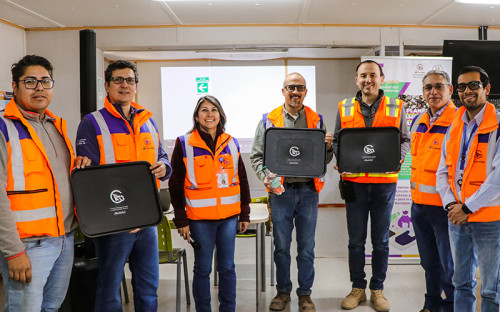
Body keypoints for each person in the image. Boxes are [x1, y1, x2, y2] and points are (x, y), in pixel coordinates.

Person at [76, 60, 171, 312]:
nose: (125, 85)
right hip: (115, 222)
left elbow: (161, 156)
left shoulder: (148, 121)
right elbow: (90, 177)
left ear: (136, 86)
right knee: (109, 290)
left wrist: (164, 166)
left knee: (149, 288)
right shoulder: (92, 123)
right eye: (118, 80)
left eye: (130, 80)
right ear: (107, 86)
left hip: (147, 221)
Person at [0, 55, 90, 311]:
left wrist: (78, 165)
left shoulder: (55, 127)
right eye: (30, 81)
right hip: (27, 244)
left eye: (45, 81)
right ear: (15, 86)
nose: (39, 88)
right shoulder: (4, 128)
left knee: (51, 307)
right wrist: (13, 251)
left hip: (64, 238)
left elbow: (52, 178)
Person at [250, 72, 334, 312]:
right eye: (290, 87)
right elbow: (257, 156)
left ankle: (305, 295)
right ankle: (283, 292)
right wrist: (266, 176)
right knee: (282, 246)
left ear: (306, 92)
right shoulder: (269, 120)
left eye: (300, 88)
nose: (295, 92)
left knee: (307, 247)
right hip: (281, 194)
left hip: (308, 191)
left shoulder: (316, 120)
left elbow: (323, 161)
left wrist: (328, 148)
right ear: (283, 91)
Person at [332, 60, 410, 312]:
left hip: (383, 185)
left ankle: (377, 289)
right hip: (354, 183)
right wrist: (340, 160)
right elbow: (337, 141)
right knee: (355, 240)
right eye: (363, 75)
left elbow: (405, 140)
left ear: (381, 78)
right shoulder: (344, 107)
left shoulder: (397, 106)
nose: (368, 80)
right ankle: (357, 288)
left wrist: (397, 159)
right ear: (356, 79)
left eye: (372, 75)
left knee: (380, 241)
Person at [168, 95, 251, 312]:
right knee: (203, 268)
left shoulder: (231, 142)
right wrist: (180, 219)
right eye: (204, 110)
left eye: (214, 110)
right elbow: (176, 182)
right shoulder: (184, 143)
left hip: (229, 218)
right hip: (199, 219)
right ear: (196, 116)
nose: (210, 114)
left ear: (220, 115)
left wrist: (244, 213)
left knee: (227, 268)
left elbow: (241, 177)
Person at [436, 65, 500, 312]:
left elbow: (497, 178)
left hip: (490, 220)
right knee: (461, 283)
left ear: (487, 88)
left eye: (474, 85)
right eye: (461, 87)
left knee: (491, 289)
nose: (467, 91)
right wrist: (451, 204)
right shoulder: (455, 125)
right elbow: (443, 170)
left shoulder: (497, 125)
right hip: (458, 219)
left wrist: (467, 207)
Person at [410, 70, 456, 312]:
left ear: (450, 90)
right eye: (428, 87)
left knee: (449, 265)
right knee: (428, 263)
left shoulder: (458, 121)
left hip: (444, 208)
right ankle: (431, 303)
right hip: (419, 207)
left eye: (439, 86)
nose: (433, 91)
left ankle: (449, 306)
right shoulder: (418, 120)